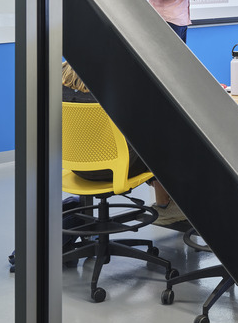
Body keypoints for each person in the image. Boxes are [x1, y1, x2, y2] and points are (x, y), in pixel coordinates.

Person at [62, 61, 190, 229]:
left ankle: (166, 202)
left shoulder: (60, 76)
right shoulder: (118, 78)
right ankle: (167, 205)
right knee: (167, 134)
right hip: (119, 168)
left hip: (79, 169)